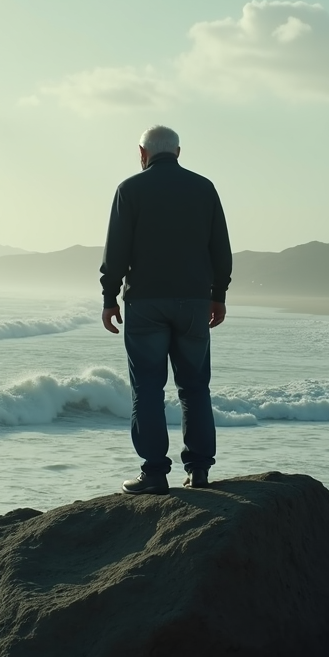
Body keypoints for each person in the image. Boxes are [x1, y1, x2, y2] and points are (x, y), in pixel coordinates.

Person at [100, 125, 233, 495]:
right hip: (192, 301)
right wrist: (218, 295)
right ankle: (199, 471)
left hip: (145, 303)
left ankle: (155, 474)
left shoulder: (130, 189)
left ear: (142, 153)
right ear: (178, 152)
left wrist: (110, 297)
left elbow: (116, 252)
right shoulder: (203, 188)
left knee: (147, 388)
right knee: (195, 388)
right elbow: (220, 249)